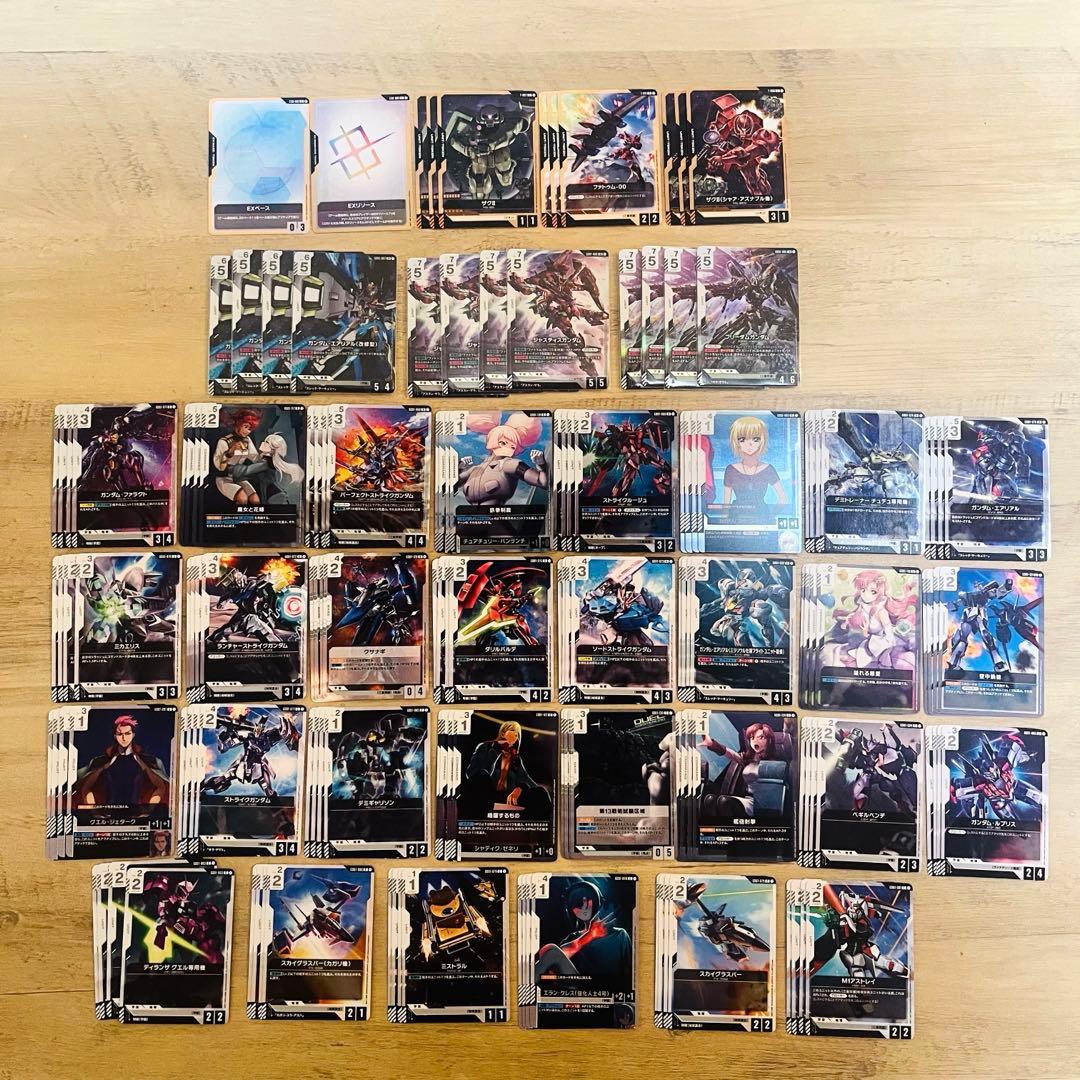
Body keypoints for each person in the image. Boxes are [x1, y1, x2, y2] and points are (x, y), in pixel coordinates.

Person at [72, 714, 169, 810]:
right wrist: (94, 811)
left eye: (127, 733)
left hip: (136, 812)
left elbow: (161, 787)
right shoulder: (102, 761)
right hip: (108, 812)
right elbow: (85, 787)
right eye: (120, 734)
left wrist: (149, 810)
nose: (123, 738)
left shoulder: (146, 761)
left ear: (133, 735)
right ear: (115, 736)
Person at [721, 415, 787, 510]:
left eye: (756, 439)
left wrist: (772, 515)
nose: (750, 444)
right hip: (737, 515)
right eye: (742, 439)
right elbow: (726, 504)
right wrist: (726, 518)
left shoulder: (768, 469)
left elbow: (783, 498)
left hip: (762, 514)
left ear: (762, 441)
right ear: (737, 442)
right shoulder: (731, 469)